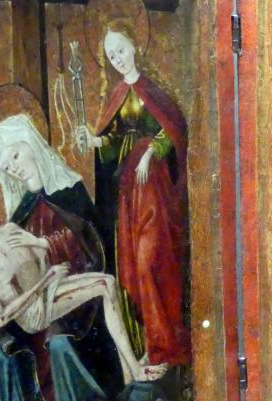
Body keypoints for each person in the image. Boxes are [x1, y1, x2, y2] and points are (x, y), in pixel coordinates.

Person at [0, 195, 159, 384]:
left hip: (50, 288)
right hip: (33, 313)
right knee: (105, 285)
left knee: (108, 282)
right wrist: (46, 280)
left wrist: (41, 251)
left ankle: (129, 372)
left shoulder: (10, 230)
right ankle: (135, 370)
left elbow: (42, 261)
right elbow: (1, 317)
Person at [75, 20, 190, 368]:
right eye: (112, 55)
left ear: (135, 47)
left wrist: (152, 151)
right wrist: (94, 141)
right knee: (132, 269)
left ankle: (165, 346)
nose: (118, 59)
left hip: (154, 187)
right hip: (128, 192)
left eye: (121, 50)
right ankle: (152, 343)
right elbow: (113, 142)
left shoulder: (152, 91)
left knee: (150, 262)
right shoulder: (117, 95)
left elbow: (173, 127)